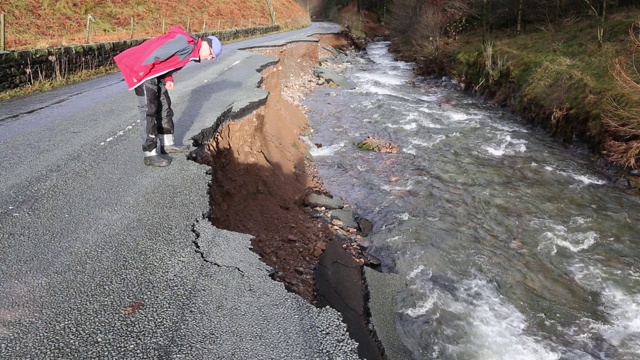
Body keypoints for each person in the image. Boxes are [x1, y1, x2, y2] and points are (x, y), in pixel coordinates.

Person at [114, 26, 222, 167]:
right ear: (206, 44)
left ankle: (167, 143)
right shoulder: (185, 43)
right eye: (211, 54)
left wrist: (168, 78)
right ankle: (150, 154)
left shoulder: (191, 49)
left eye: (212, 57)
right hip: (143, 70)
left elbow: (167, 61)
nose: (209, 58)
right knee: (149, 111)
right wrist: (141, 73)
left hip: (155, 74)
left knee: (165, 105)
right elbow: (157, 53)